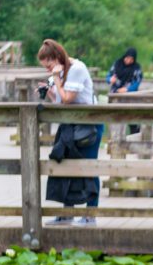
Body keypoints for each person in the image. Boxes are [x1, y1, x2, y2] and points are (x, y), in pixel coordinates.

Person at [37, 39, 103, 226]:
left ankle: (90, 215)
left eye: (49, 66)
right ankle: (67, 214)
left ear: (57, 57)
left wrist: (56, 79)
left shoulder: (77, 68)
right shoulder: (60, 72)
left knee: (88, 168)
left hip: (88, 125)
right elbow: (60, 100)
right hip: (70, 124)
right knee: (64, 167)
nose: (49, 70)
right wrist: (48, 90)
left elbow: (67, 99)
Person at [107, 48, 143, 134]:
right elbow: (108, 76)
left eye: (131, 59)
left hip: (130, 97)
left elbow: (137, 82)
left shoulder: (136, 68)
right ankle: (114, 137)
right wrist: (110, 79)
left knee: (132, 118)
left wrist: (127, 89)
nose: (128, 60)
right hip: (115, 95)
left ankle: (134, 137)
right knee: (115, 117)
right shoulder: (117, 64)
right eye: (127, 58)